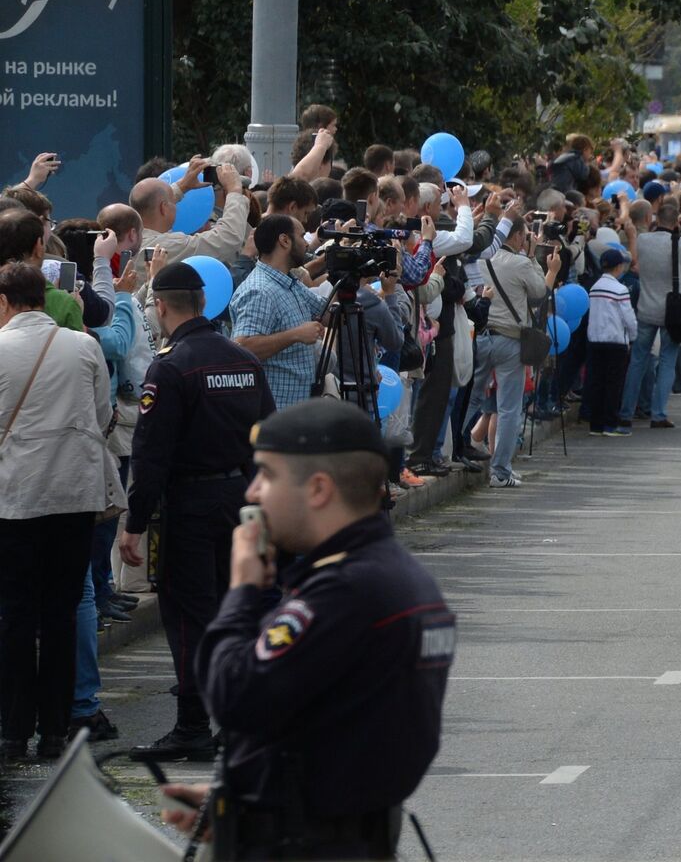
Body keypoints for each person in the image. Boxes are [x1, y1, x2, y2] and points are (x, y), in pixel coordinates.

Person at [163, 399, 454, 859]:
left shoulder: (345, 592)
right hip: (339, 835)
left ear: (318, 489)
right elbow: (330, 731)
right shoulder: (395, 578)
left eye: (267, 476)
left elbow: (233, 695)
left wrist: (240, 591)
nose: (253, 492)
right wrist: (245, 803)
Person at [121, 262, 276, 760]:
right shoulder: (243, 361)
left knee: (189, 614)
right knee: (238, 609)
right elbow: (267, 437)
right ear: (204, 303)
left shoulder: (169, 367)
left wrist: (135, 523)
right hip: (239, 499)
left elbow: (151, 455)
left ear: (161, 307)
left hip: (188, 505)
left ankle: (192, 725)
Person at [0, 262, 118, 762]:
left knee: (15, 615)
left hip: (14, 497)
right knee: (63, 611)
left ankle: (12, 731)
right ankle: (55, 729)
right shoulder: (83, 346)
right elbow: (102, 417)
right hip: (74, 495)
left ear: (5, 301)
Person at [474, 216, 562, 487]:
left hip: (479, 335)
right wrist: (547, 267)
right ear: (515, 237)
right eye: (525, 237)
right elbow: (539, 294)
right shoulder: (521, 263)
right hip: (510, 340)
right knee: (509, 409)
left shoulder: (479, 260)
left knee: (470, 399)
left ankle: (454, 449)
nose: (527, 241)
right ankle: (500, 470)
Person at [623, 200, 681, 425]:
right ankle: (658, 413)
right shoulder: (679, 243)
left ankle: (626, 412)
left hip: (645, 308)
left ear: (656, 219)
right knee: (668, 361)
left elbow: (633, 260)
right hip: (672, 312)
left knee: (638, 360)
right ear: (676, 222)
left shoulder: (642, 240)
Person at [230, 216, 327, 411]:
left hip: (295, 411)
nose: (306, 244)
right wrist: (295, 335)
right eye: (301, 236)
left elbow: (327, 313)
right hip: (275, 415)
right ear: (284, 240)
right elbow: (242, 348)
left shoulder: (289, 282)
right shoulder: (260, 290)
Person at [584, 245, 637, 436]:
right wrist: (633, 336)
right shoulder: (620, 289)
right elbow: (628, 317)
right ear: (618, 267)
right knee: (614, 384)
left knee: (596, 381)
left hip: (595, 340)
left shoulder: (594, 287)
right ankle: (610, 424)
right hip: (616, 341)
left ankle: (595, 424)